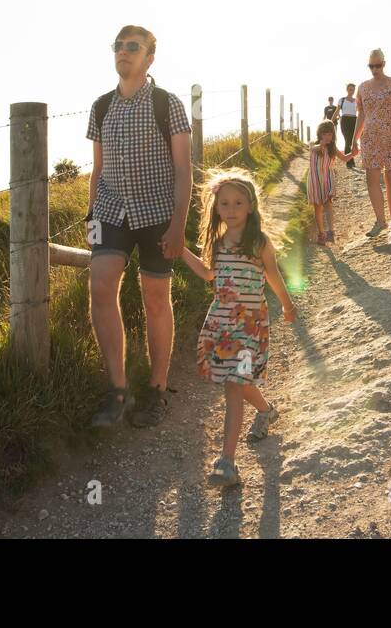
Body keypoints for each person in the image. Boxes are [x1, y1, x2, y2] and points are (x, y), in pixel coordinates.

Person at [85, 25, 192, 429]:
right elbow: (97, 170)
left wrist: (178, 225)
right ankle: (118, 391)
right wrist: (92, 218)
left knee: (154, 298)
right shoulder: (100, 107)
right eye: (118, 46)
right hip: (111, 211)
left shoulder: (168, 104)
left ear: (150, 57)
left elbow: (183, 169)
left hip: (157, 212)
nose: (124, 52)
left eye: (134, 47)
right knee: (99, 283)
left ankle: (158, 389)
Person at [180, 169, 297, 488]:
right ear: (216, 208)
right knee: (237, 380)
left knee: (234, 385)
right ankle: (266, 411)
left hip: (249, 326)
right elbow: (208, 275)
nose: (230, 210)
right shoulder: (218, 243)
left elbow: (273, 276)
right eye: (224, 204)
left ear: (250, 206)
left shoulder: (259, 242)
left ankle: (227, 462)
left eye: (237, 203)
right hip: (222, 324)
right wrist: (180, 250)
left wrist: (287, 304)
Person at [352, 49, 391, 238]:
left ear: (384, 64)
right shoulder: (362, 87)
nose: (374, 69)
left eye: (378, 65)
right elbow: (361, 114)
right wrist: (354, 138)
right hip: (370, 137)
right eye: (371, 66)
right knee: (372, 178)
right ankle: (380, 221)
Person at [307, 119, 359, 244]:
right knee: (317, 207)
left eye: (330, 134)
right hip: (314, 180)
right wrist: (322, 143)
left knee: (328, 203)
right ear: (320, 134)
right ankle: (321, 233)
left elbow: (345, 158)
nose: (328, 136)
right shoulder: (313, 145)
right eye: (325, 134)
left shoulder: (333, 148)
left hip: (327, 179)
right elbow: (314, 148)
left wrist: (354, 153)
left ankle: (330, 232)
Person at [336, 84, 358, 168]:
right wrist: (330, 121)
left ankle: (351, 161)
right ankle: (349, 162)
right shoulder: (342, 100)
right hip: (345, 121)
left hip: (354, 121)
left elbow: (361, 112)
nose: (351, 91)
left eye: (353, 90)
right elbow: (337, 111)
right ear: (347, 89)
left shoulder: (357, 101)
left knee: (353, 141)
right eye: (350, 89)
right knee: (348, 140)